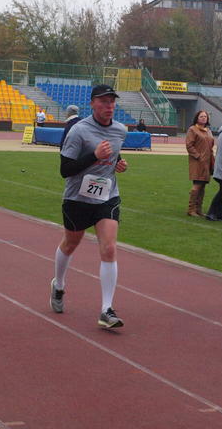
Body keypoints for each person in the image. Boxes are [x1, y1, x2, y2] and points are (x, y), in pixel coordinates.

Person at [50, 84, 128, 329]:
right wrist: (94, 155)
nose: (109, 106)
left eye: (112, 101)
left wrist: (119, 163)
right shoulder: (78, 131)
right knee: (71, 243)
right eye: (104, 101)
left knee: (109, 248)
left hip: (107, 196)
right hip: (77, 198)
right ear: (93, 103)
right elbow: (65, 170)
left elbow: (114, 154)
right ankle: (58, 284)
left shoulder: (120, 130)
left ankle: (106, 309)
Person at [185, 110, 214, 217]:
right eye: (201, 116)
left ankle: (198, 209)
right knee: (197, 185)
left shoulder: (208, 131)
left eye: (205, 116)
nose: (203, 118)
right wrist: (198, 156)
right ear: (197, 118)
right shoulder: (192, 129)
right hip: (197, 161)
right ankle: (191, 209)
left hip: (207, 161)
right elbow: (189, 145)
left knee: (202, 186)